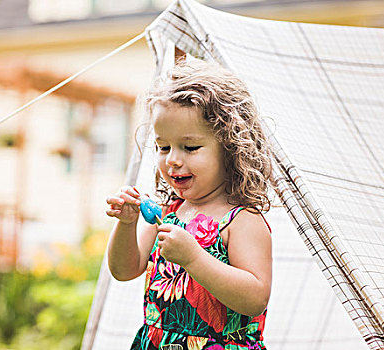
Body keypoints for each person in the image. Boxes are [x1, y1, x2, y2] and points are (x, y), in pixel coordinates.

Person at [106, 59, 273, 350]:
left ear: (231, 148)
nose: (172, 159)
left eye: (190, 147)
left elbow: (255, 299)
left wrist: (194, 259)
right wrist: (127, 223)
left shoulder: (241, 219)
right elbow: (124, 270)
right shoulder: (168, 212)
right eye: (163, 146)